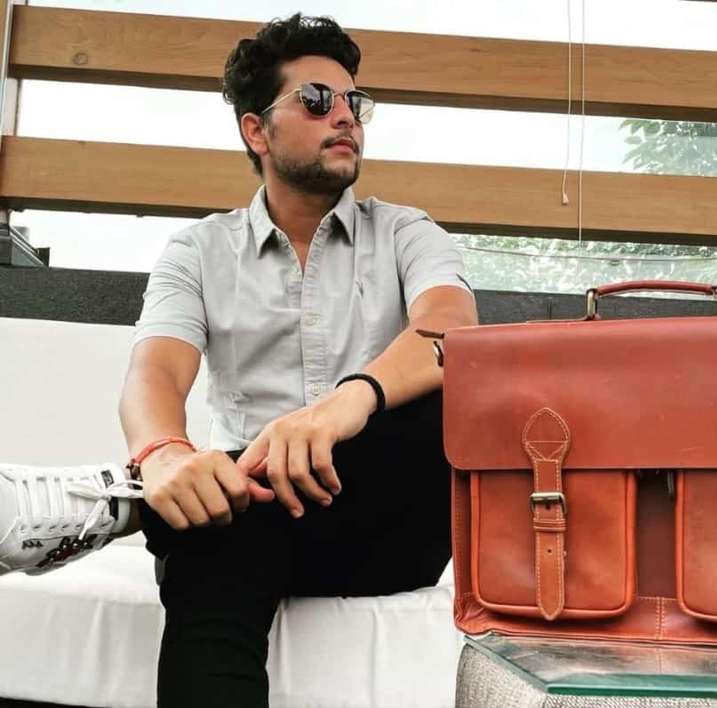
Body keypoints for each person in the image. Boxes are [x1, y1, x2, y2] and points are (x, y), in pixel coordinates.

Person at [0, 13, 477, 707]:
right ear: (257, 130)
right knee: (209, 532)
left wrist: (340, 408)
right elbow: (155, 371)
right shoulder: (199, 251)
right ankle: (159, 497)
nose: (345, 116)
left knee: (438, 400)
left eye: (354, 101)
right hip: (247, 515)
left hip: (385, 518)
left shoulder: (408, 231)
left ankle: (122, 507)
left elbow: (449, 329)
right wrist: (164, 455)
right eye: (317, 100)